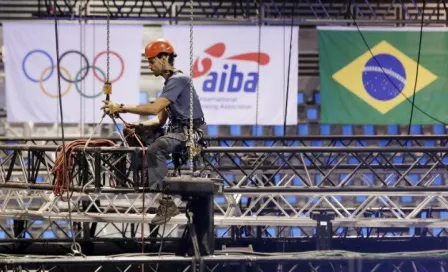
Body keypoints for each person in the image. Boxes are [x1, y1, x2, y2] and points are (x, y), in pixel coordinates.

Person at [101, 38, 205, 225]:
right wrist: (139, 127)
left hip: (188, 134)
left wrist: (121, 107)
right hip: (177, 131)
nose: (149, 65)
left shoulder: (179, 80)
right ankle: (138, 181)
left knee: (156, 148)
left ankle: (165, 201)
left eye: (151, 61)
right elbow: (160, 118)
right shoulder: (170, 84)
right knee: (136, 135)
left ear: (164, 58)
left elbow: (153, 108)